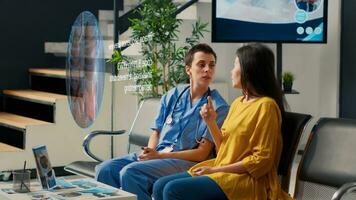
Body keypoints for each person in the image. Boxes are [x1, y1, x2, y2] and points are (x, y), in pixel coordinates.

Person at [153, 43, 293, 200]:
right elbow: (223, 150)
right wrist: (210, 122)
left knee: (173, 190)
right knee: (160, 186)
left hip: (247, 179)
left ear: (249, 69)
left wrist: (215, 171)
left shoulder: (266, 106)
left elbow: (261, 161)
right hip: (223, 168)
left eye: (235, 65)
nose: (231, 71)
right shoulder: (238, 103)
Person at [95, 43, 229, 200]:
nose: (208, 69)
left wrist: (158, 156)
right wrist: (149, 153)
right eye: (201, 64)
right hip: (158, 153)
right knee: (105, 169)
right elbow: (156, 131)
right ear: (188, 69)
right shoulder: (173, 95)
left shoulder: (218, 107)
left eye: (211, 65)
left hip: (184, 160)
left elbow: (201, 154)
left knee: (131, 172)